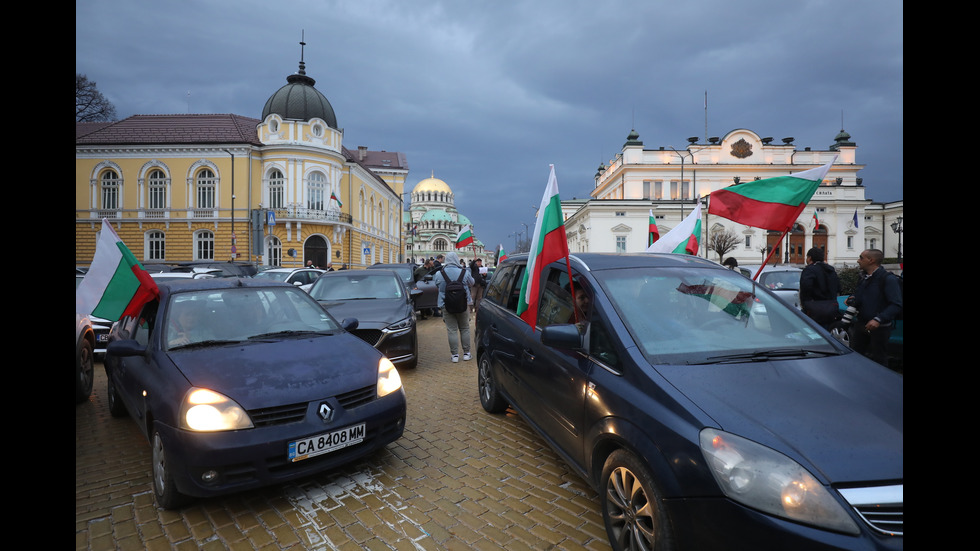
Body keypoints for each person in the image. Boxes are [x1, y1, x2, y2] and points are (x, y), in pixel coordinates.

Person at [847, 249, 902, 367]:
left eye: (861, 258)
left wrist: (879, 319)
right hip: (861, 324)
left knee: (879, 361)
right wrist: (853, 299)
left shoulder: (888, 279)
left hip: (879, 329)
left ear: (871, 260)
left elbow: (896, 304)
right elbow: (862, 297)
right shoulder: (863, 278)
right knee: (856, 358)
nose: (858, 260)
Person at [435, 251, 474, 363]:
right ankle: (466, 353)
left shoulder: (439, 274)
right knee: (465, 328)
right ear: (457, 260)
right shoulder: (464, 272)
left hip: (446, 304)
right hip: (463, 304)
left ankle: (455, 355)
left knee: (451, 330)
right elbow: (472, 283)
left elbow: (437, 285)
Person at [799, 247, 841, 329]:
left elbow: (806, 288)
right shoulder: (831, 270)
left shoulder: (809, 270)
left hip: (814, 308)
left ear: (810, 258)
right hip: (831, 307)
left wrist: (805, 303)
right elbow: (838, 287)